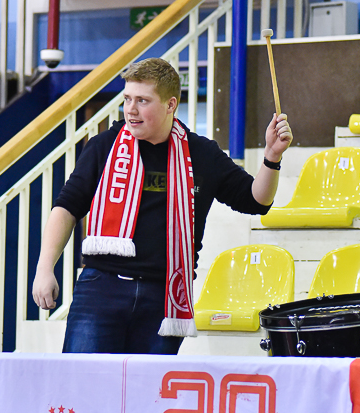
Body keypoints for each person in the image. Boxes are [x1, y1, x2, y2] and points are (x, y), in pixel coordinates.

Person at [32, 57, 293, 354]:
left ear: (170, 105)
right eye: (127, 99)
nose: (130, 109)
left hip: (164, 297)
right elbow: (66, 207)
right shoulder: (103, 146)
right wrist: (44, 268)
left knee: (150, 385)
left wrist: (272, 156)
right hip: (100, 289)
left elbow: (256, 200)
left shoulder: (201, 153)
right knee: (84, 381)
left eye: (142, 101)